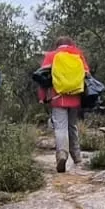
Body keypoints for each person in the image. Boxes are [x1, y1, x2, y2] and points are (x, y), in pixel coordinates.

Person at [38, 36, 89, 173]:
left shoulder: (51, 56)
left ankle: (62, 154)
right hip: (75, 98)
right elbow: (87, 75)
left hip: (57, 97)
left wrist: (42, 97)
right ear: (71, 44)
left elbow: (43, 79)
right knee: (72, 127)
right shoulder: (78, 54)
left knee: (60, 128)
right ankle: (77, 157)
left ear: (57, 45)